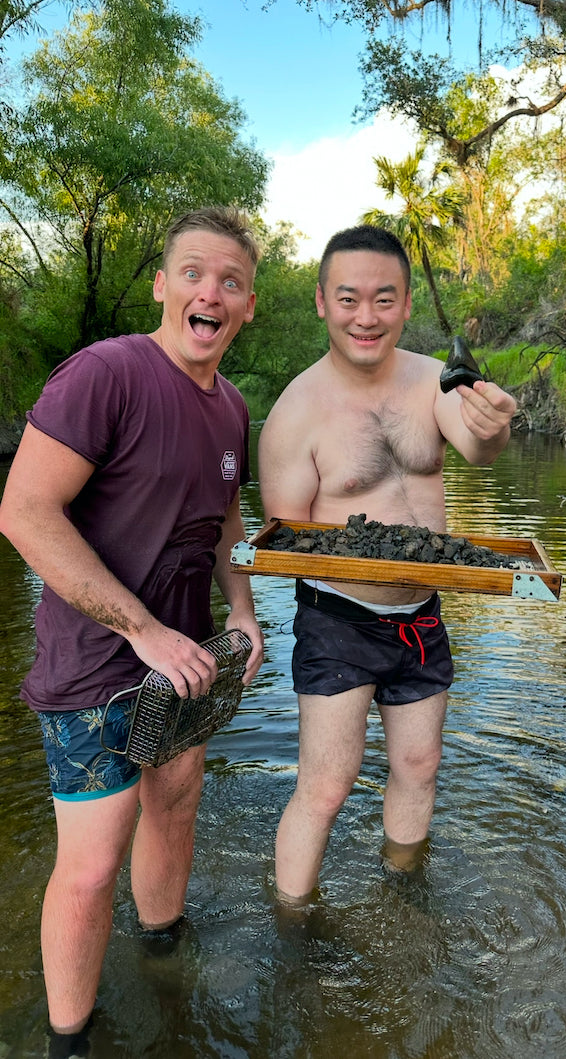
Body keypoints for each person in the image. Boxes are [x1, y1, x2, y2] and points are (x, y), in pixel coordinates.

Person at [0, 206, 265, 1053]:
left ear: (248, 305)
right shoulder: (105, 374)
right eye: (192, 272)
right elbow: (24, 512)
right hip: (92, 667)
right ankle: (68, 1040)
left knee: (176, 807)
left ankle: (161, 957)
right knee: (88, 866)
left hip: (185, 662)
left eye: (229, 280)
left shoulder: (233, 408)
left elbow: (226, 521)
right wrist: (142, 628)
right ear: (162, 285)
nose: (209, 291)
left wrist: (246, 612)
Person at [258, 224, 517, 904]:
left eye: (383, 298)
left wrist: (494, 427)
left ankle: (403, 895)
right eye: (348, 299)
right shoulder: (293, 413)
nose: (365, 316)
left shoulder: (436, 379)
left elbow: (479, 449)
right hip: (338, 620)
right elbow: (284, 543)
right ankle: (293, 921)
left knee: (418, 764)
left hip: (423, 614)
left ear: (405, 305)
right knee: (326, 783)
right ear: (321, 302)